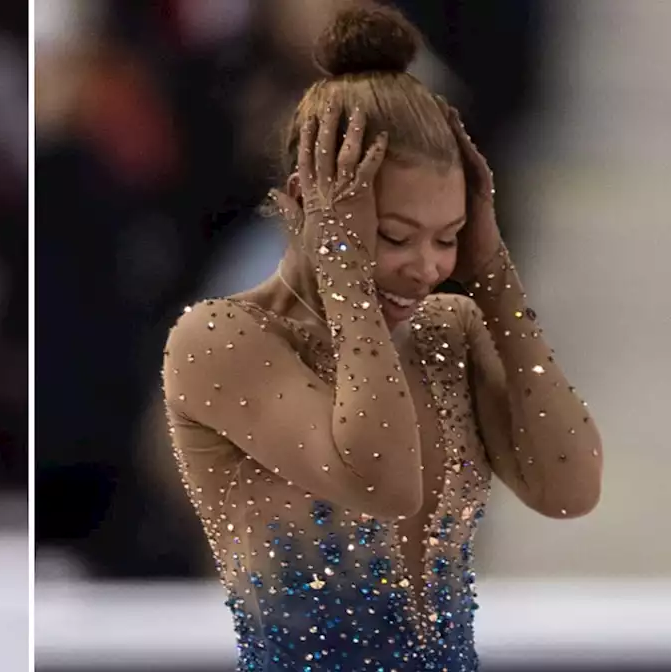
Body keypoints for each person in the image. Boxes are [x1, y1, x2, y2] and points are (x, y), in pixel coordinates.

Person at [161, 5, 602, 671]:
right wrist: (343, 277)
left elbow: (569, 489)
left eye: (446, 237)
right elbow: (383, 479)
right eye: (396, 235)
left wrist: (493, 274)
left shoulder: (448, 331)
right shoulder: (221, 340)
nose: (427, 269)